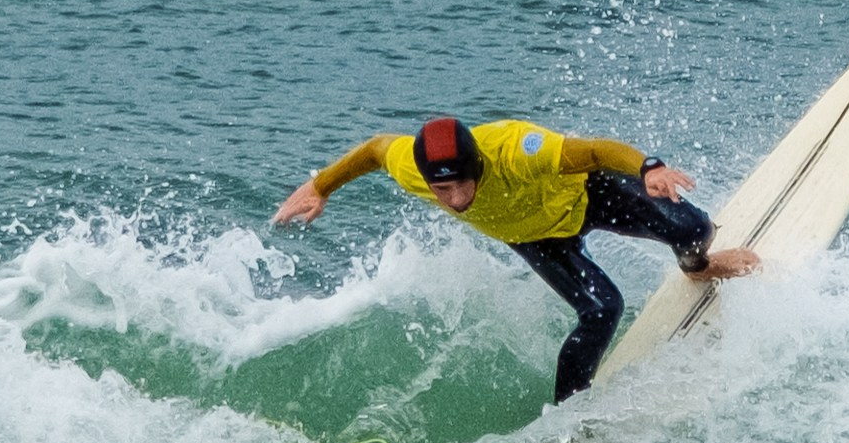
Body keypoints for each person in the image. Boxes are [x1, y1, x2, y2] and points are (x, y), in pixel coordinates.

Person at [274, 116, 757, 401]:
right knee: (601, 310)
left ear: (479, 164)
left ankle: (698, 269)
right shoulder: (411, 165)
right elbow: (377, 149)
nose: (457, 198)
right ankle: (569, 414)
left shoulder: (517, 150)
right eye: (443, 189)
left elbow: (592, 151)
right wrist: (322, 186)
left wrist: (648, 168)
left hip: (588, 197)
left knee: (694, 229)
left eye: (464, 183)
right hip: (535, 239)